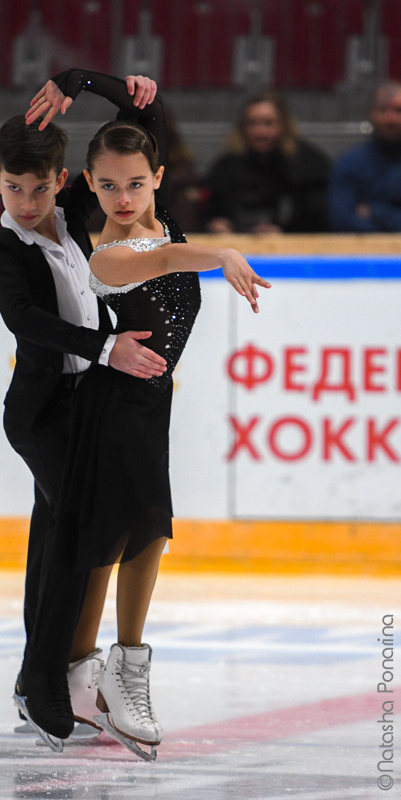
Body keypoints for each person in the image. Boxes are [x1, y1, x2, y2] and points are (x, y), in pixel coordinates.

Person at [26, 69, 270, 759]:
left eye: (135, 183)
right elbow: (160, 258)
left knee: (146, 539)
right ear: (89, 185)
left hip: (148, 409)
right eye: (106, 186)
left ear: (158, 176)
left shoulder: (161, 217)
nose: (123, 197)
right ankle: (94, 678)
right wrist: (220, 251)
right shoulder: (105, 254)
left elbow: (147, 109)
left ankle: (115, 673)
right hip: (110, 412)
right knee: (113, 546)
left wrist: (86, 81)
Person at [0, 72, 169, 750]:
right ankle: (44, 688)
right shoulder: (3, 249)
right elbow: (26, 319)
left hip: (84, 407)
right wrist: (106, 347)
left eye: (39, 188)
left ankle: (49, 677)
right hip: (38, 416)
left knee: (56, 540)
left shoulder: (76, 222)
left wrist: (87, 81)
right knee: (76, 536)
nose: (27, 202)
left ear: (62, 181)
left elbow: (140, 134)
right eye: (13, 188)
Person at [204, 90, 330, 234]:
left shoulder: (309, 165)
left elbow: (317, 218)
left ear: (284, 125)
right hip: (234, 246)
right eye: (252, 123)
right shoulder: (226, 166)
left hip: (291, 249)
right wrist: (216, 223)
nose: (260, 132)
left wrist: (285, 230)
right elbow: (211, 211)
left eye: (268, 124)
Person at [329, 82, 401, 232]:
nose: (391, 119)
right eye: (383, 110)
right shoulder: (349, 163)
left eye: (399, 111)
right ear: (372, 113)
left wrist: (374, 211)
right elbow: (343, 220)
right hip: (362, 252)